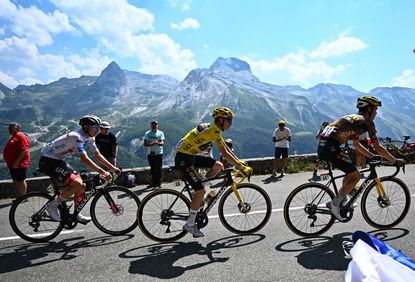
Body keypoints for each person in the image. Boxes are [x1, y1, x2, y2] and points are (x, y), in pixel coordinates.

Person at [318, 96, 404, 221]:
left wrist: (371, 156)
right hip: (331, 147)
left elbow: (357, 145)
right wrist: (395, 161)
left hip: (324, 146)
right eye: (375, 109)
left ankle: (344, 198)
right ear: (368, 109)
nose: (376, 112)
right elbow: (378, 146)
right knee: (356, 176)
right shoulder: (367, 122)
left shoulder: (354, 120)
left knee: (350, 173)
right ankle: (335, 204)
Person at [175, 107, 253, 237]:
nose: (231, 123)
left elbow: (226, 150)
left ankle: (200, 189)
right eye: (229, 120)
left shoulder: (214, 129)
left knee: (218, 165)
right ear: (220, 120)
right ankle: (190, 224)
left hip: (190, 156)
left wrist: (240, 163)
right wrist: (240, 167)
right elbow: (225, 153)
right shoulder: (213, 131)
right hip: (184, 159)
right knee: (200, 191)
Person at [39, 115, 121, 224]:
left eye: (98, 128)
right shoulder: (76, 137)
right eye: (95, 128)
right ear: (86, 127)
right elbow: (85, 159)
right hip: (48, 161)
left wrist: (113, 168)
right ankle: (52, 205)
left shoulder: (90, 138)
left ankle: (76, 213)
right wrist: (103, 172)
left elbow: (97, 155)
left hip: (58, 160)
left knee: (82, 185)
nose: (98, 131)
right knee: (77, 184)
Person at [2, 122, 30, 197]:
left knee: (20, 180)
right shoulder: (14, 136)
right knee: (17, 180)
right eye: (9, 127)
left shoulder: (20, 136)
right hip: (13, 165)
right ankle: (21, 196)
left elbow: (24, 150)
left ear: (17, 128)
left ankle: (23, 197)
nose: (9, 129)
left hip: (19, 164)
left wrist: (16, 161)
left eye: (11, 127)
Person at [143, 120, 165, 188]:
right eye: (152, 125)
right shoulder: (147, 133)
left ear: (157, 126)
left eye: (155, 125)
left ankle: (158, 184)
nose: (154, 126)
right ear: (151, 126)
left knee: (159, 169)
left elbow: (163, 142)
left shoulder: (161, 133)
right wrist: (151, 144)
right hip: (151, 154)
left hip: (159, 153)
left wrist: (157, 143)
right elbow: (145, 144)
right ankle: (153, 182)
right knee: (152, 169)